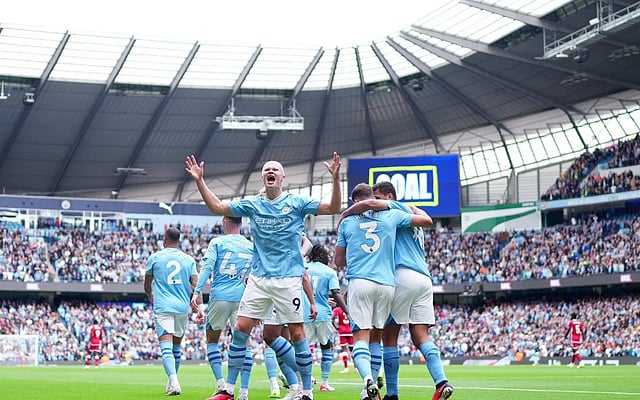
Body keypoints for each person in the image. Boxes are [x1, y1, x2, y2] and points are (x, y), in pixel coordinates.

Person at [185, 152, 342, 400]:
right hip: (258, 279)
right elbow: (217, 207)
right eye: (267, 169)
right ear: (262, 177)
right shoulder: (252, 204)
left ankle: (306, 391)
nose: (271, 171)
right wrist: (199, 180)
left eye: (275, 169)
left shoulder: (297, 202)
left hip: (287, 279)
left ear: (282, 177)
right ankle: (228, 390)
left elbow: (333, 208)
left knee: (297, 334)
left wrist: (335, 179)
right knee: (240, 328)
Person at [333, 183, 434, 400]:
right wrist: (413, 208)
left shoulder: (348, 222)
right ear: (373, 198)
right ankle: (382, 388)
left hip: (362, 280)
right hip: (387, 283)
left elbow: (338, 260)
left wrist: (354, 247)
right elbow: (426, 221)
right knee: (377, 336)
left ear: (355, 201)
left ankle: (368, 382)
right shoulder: (392, 216)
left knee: (361, 337)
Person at [371, 181, 453, 400]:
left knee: (389, 336)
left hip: (403, 275)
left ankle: (392, 394)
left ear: (389, 197)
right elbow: (425, 217)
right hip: (423, 279)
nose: (374, 202)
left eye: (377, 198)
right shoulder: (414, 215)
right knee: (421, 335)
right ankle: (441, 382)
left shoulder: (394, 210)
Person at [191, 216, 254, 400]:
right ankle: (244, 391)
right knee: (245, 344)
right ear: (241, 223)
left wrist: (197, 292)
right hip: (242, 299)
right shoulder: (251, 246)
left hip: (220, 297)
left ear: (225, 222)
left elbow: (207, 268)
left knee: (212, 341)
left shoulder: (217, 242)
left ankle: (221, 385)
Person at [144, 226, 198, 396]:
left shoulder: (154, 258)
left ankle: (174, 382)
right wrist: (199, 306)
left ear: (164, 240)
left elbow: (147, 284)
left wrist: (150, 295)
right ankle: (172, 381)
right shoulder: (188, 259)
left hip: (163, 306)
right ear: (178, 240)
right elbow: (196, 284)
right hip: (182, 307)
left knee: (166, 347)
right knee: (176, 348)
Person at [303, 244, 349, 392]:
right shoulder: (329, 272)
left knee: (303, 349)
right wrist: (347, 311)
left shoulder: (304, 268)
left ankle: (304, 382)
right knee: (326, 348)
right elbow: (336, 292)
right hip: (323, 315)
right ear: (321, 256)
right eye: (327, 255)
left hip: (305, 314)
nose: (329, 258)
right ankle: (324, 383)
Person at [332, 304, 354, 373]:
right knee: (352, 350)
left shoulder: (337, 309)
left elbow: (332, 318)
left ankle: (346, 368)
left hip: (342, 331)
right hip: (350, 330)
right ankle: (356, 368)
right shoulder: (350, 308)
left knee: (344, 349)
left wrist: (336, 327)